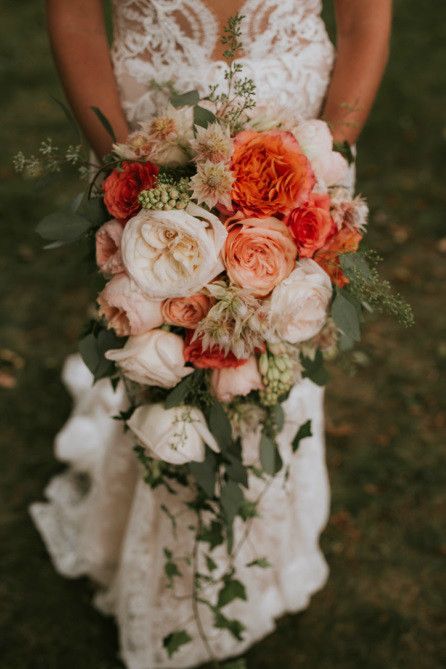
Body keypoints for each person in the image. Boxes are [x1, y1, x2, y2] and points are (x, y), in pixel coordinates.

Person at [31, 2, 392, 668]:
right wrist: (120, 167)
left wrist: (329, 165)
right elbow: (75, 14)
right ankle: (161, 564)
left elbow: (367, 19)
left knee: (276, 343)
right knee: (165, 352)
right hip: (150, 128)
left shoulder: (316, 161)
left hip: (299, 132)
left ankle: (259, 547)